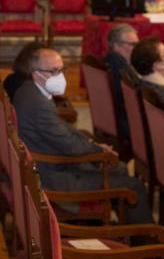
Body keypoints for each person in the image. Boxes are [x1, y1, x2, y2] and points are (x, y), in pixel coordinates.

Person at [13, 46, 153, 224]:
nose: (60, 76)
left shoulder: (29, 90)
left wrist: (93, 145)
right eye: (54, 71)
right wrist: (98, 151)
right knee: (134, 186)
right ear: (35, 73)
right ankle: (145, 241)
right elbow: (69, 146)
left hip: (50, 163)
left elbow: (63, 131)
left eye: (62, 69)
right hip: (53, 178)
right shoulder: (38, 104)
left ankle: (114, 224)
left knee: (118, 169)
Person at [103, 24, 139, 136]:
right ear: (116, 46)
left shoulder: (112, 60)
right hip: (128, 121)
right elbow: (130, 97)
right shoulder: (117, 64)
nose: (137, 49)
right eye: (133, 44)